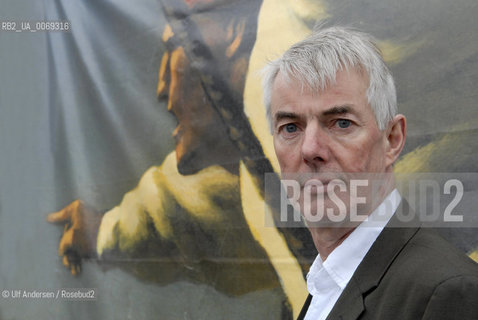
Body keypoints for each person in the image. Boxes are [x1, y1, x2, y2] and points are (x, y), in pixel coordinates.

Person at [262, 25, 478, 319]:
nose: (310, 149)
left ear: (392, 139)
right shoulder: (327, 283)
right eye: (290, 128)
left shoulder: (447, 292)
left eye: (341, 123)